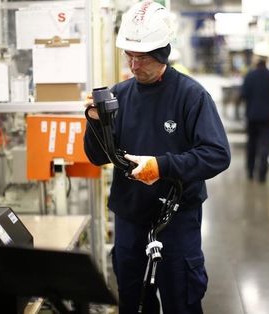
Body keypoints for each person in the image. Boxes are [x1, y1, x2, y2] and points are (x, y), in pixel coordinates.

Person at [83, 1, 231, 313]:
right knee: (134, 299)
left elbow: (216, 155)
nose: (134, 65)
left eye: (142, 57)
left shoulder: (191, 96)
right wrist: (95, 122)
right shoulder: (118, 96)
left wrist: (161, 167)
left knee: (182, 298)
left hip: (177, 219)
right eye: (130, 56)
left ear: (162, 52)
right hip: (130, 217)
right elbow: (97, 157)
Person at [238, 41, 269, 183]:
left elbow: (243, 95)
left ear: (256, 58)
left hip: (252, 116)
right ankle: (262, 175)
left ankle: (250, 172)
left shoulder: (249, 76)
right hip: (267, 117)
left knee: (252, 145)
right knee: (265, 146)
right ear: (267, 59)